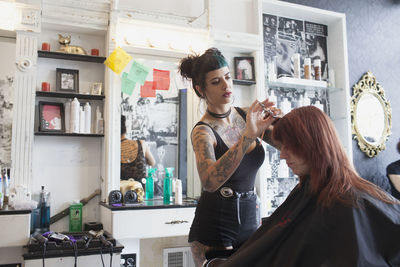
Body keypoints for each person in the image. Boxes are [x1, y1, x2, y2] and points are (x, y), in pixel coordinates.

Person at [206, 106, 400, 267]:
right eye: (282, 146)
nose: (282, 154)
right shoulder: (309, 190)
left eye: (289, 145)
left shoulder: (350, 203)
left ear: (314, 145)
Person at [178, 47, 280, 267]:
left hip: (250, 221)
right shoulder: (202, 131)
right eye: (216, 82)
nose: (226, 85)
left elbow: (287, 144)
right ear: (201, 89)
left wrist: (282, 122)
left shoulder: (246, 116)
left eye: (227, 77)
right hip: (214, 228)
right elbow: (209, 181)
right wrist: (246, 138)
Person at [121, 115, 156, 181]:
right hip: (140, 189)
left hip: (120, 189)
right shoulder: (141, 143)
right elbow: (152, 162)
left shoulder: (112, 149)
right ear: (126, 129)